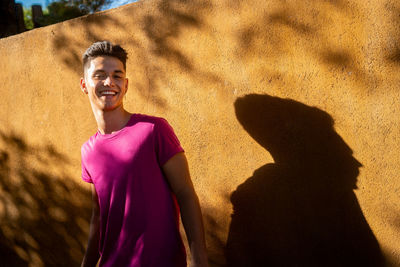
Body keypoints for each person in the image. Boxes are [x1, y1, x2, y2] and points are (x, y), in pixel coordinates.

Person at [79, 41, 208, 267]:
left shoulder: (154, 129)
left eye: (117, 76)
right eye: (99, 75)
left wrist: (200, 261)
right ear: (84, 84)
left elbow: (185, 193)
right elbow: (99, 216)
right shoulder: (88, 150)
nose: (109, 82)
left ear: (126, 84)